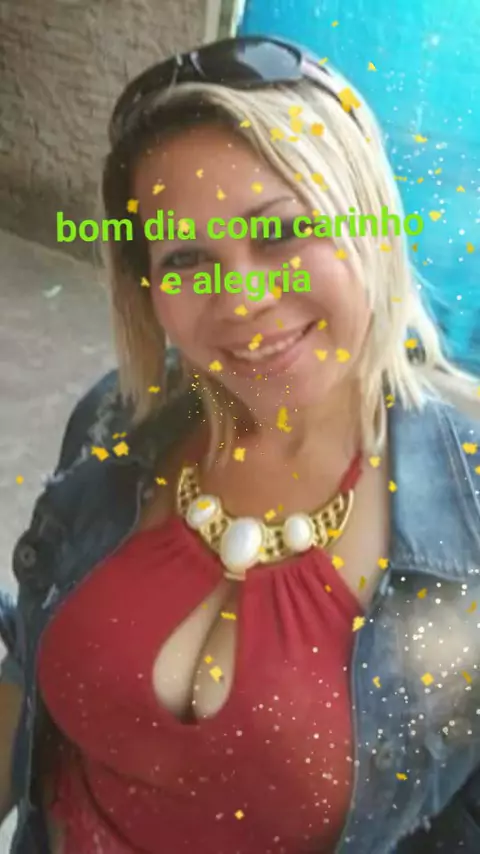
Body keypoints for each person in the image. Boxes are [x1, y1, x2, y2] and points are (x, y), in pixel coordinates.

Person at [1, 34, 480, 854]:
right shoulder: (117, 422)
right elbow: (28, 660)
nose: (245, 297)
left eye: (283, 233)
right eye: (188, 257)